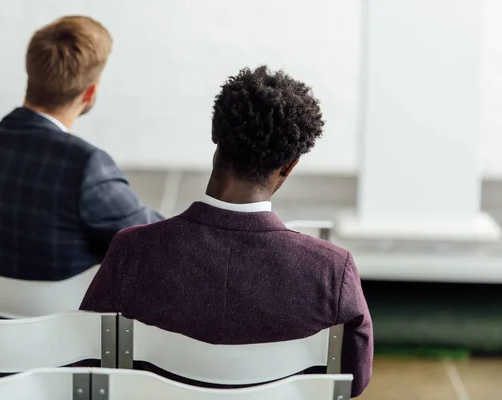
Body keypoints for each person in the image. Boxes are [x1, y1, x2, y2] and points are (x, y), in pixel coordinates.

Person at [79, 66, 373, 397]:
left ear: (215, 132)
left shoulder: (132, 250)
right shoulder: (332, 271)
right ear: (289, 165)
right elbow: (353, 381)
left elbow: (85, 354)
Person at [0, 15, 162, 381]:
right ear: (89, 93)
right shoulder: (85, 167)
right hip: (55, 372)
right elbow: (157, 241)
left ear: (30, 75)